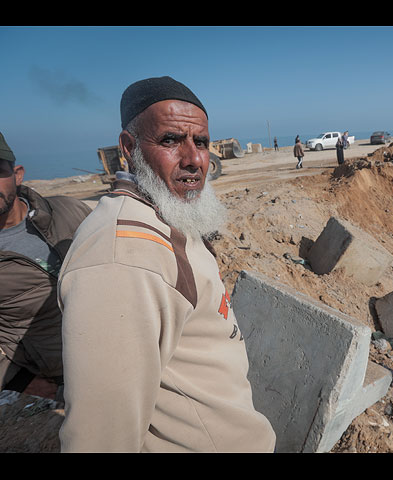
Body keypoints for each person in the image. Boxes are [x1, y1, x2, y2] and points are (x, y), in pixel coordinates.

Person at [56, 76, 276, 453]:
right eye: (171, 140)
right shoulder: (121, 261)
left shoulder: (168, 213)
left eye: (201, 142)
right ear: (128, 147)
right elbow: (100, 437)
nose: (193, 160)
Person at [0, 132, 91, 399]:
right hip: (67, 376)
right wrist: (31, 385)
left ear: (17, 175)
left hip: (130, 350)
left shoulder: (68, 209)